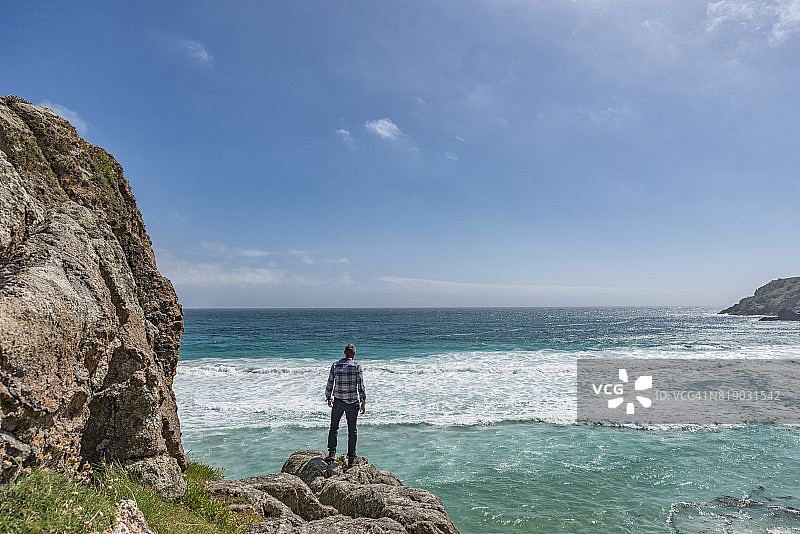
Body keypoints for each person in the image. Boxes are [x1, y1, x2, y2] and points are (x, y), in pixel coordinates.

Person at [325, 343, 366, 466]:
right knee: (352, 430)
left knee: (334, 427)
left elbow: (330, 383)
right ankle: (351, 458)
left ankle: (332, 453)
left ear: (344, 353)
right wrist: (363, 401)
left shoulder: (335, 365)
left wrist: (328, 397)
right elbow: (361, 386)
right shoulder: (357, 366)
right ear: (353, 354)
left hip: (338, 401)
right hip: (353, 402)